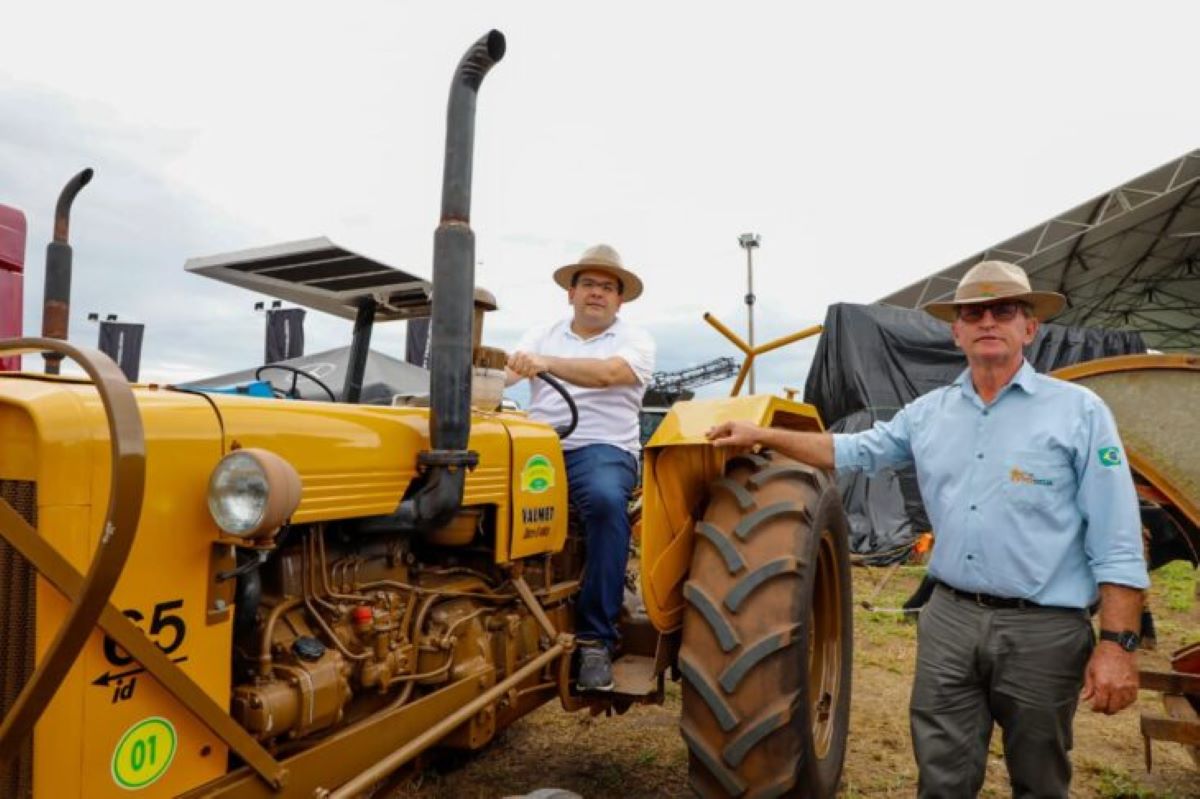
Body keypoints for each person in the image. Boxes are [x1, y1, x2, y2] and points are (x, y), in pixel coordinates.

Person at [706, 260, 1149, 797]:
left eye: (1003, 309)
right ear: (956, 330)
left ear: (1029, 327)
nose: (988, 320)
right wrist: (763, 433)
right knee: (941, 776)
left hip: (1044, 631)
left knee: (1039, 777)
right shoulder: (929, 413)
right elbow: (849, 450)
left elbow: (1118, 537)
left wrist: (1118, 645)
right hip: (950, 622)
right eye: (972, 312)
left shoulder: (1080, 413)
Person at [506, 244, 655, 691]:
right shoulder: (539, 333)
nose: (597, 293)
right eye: (588, 284)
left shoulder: (634, 341)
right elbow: (509, 373)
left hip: (603, 448)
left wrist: (546, 364)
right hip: (539, 447)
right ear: (570, 293)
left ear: (619, 300)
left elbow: (610, 374)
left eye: (607, 287)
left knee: (608, 502)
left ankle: (595, 639)